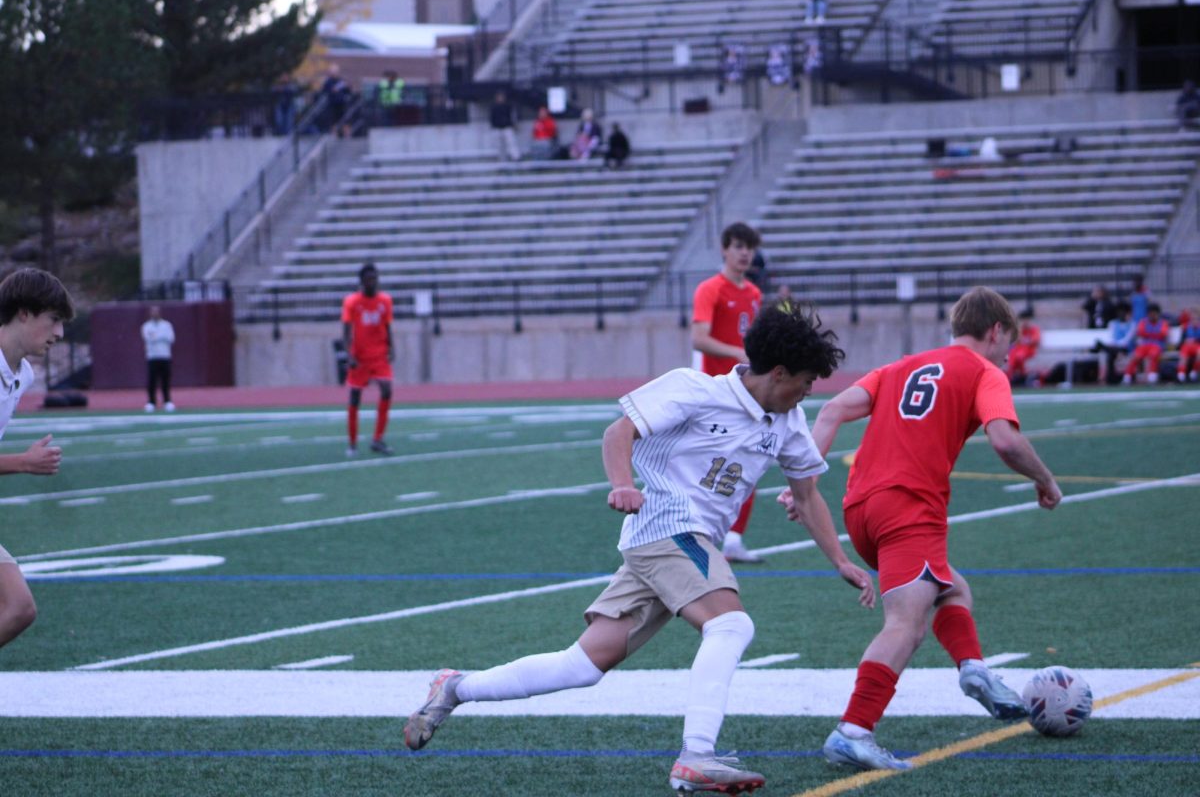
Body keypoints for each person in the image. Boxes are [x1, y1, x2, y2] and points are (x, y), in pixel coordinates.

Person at [403, 300, 876, 795]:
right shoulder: (695, 389)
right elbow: (619, 431)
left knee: (582, 666)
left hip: (678, 544)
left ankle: (455, 687)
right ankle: (696, 756)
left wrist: (841, 560)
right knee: (731, 623)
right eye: (804, 380)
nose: (807, 391)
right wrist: (622, 483)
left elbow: (807, 495)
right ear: (778, 372)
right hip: (666, 526)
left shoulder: (788, 420)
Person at [790, 286, 1062, 771]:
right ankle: (853, 730)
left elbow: (830, 410)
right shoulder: (986, 371)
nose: (1007, 355)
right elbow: (1005, 440)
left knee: (950, 587)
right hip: (909, 505)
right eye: (1009, 344)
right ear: (995, 331)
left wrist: (803, 486)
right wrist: (1045, 479)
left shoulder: (900, 366)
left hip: (862, 509)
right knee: (906, 625)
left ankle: (974, 668)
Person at [0, 268, 74, 649]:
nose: (59, 333)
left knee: (18, 609)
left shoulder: (22, 373)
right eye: (54, 320)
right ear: (24, 313)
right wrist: (24, 463)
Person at [692, 222, 764, 563]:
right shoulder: (711, 289)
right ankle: (697, 535)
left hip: (747, 392)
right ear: (724, 249)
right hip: (718, 393)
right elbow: (699, 338)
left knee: (751, 462)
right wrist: (736, 353)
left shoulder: (753, 293)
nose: (744, 253)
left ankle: (734, 539)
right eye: (738, 246)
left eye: (749, 247)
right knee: (707, 468)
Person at [342, 264, 395, 456]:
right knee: (355, 397)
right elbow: (347, 331)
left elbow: (387, 326)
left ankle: (377, 439)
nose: (373, 282)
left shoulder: (385, 300)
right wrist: (349, 355)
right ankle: (352, 442)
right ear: (362, 281)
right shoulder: (352, 302)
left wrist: (391, 348)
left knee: (387, 390)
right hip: (360, 357)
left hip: (379, 355)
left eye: (375, 278)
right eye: (369, 279)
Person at [1123, 303, 1170, 385]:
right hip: (1144, 345)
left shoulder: (1163, 323)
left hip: (1157, 345)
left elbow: (1164, 333)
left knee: (1153, 355)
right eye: (1150, 313)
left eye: (1154, 313)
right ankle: (1128, 377)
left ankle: (1152, 377)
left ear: (1158, 314)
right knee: (1136, 356)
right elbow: (1140, 332)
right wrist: (1155, 334)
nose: (1152, 315)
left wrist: (1149, 334)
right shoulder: (1143, 322)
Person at [1091, 301, 1136, 385]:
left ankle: (1110, 378)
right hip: (1114, 348)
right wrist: (1114, 345)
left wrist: (1116, 345)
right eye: (1119, 311)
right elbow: (1111, 337)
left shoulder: (1132, 324)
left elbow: (1127, 339)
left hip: (1125, 348)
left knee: (1108, 351)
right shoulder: (1113, 323)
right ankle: (1111, 378)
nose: (1121, 314)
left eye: (1123, 312)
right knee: (1111, 353)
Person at [141, 305, 176, 412]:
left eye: (156, 311)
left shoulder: (167, 325)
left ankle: (167, 401)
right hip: (152, 357)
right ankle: (151, 402)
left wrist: (157, 336)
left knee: (165, 380)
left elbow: (170, 338)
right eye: (153, 312)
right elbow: (148, 338)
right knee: (152, 381)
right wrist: (161, 336)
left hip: (165, 356)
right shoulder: (146, 326)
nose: (155, 313)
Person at [1006, 308, 1040, 386]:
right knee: (1013, 355)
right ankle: (1014, 377)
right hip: (1019, 350)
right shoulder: (1021, 330)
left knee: (1018, 356)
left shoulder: (1034, 330)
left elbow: (1035, 341)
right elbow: (1016, 341)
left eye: (1026, 320)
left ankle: (1021, 376)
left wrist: (1025, 341)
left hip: (1029, 351)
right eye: (1023, 320)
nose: (1025, 322)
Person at [489, 91, 521, 162]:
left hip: (507, 127)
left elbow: (513, 116)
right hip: (497, 128)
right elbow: (492, 118)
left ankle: (516, 157)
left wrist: (514, 125)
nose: (500, 98)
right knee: (499, 146)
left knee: (511, 143)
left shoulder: (508, 106)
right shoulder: (494, 107)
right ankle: (502, 161)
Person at [1176, 308, 1200, 383]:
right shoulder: (1186, 327)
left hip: (1197, 346)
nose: (1194, 321)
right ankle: (1181, 374)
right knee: (1183, 355)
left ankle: (1194, 372)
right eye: (1193, 319)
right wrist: (1185, 341)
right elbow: (1181, 340)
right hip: (1187, 346)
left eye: (1196, 319)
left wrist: (1195, 340)